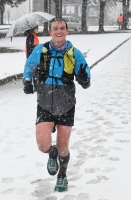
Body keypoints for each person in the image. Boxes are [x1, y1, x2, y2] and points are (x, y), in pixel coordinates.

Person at [22, 18, 91, 192]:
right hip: (45, 102)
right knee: (43, 145)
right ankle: (51, 154)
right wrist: (27, 81)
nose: (59, 31)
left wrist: (84, 78)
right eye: (55, 28)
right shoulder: (41, 51)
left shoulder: (75, 53)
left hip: (66, 104)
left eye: (62, 28)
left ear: (67, 31)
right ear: (50, 32)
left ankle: (62, 175)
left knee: (62, 146)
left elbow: (86, 78)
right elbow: (28, 67)